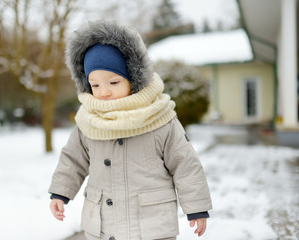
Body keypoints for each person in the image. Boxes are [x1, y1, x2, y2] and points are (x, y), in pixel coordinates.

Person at [49, 21, 212, 240]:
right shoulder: (89, 121)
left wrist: (196, 207)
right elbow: (72, 159)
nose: (104, 92)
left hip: (151, 228)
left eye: (114, 82)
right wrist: (60, 193)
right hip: (103, 227)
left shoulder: (159, 117)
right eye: (95, 85)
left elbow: (185, 164)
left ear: (133, 79)